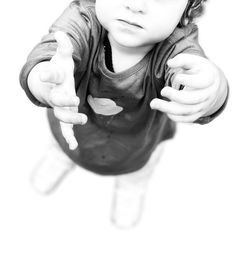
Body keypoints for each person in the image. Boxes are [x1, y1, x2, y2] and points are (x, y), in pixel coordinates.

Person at [19, 0, 229, 228]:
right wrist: (47, 82)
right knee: (62, 144)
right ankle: (60, 158)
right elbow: (49, 53)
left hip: (138, 144)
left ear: (188, 8)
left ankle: (131, 189)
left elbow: (191, 74)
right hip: (73, 127)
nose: (136, 5)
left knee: (137, 173)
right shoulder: (83, 20)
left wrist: (211, 91)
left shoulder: (176, 48)